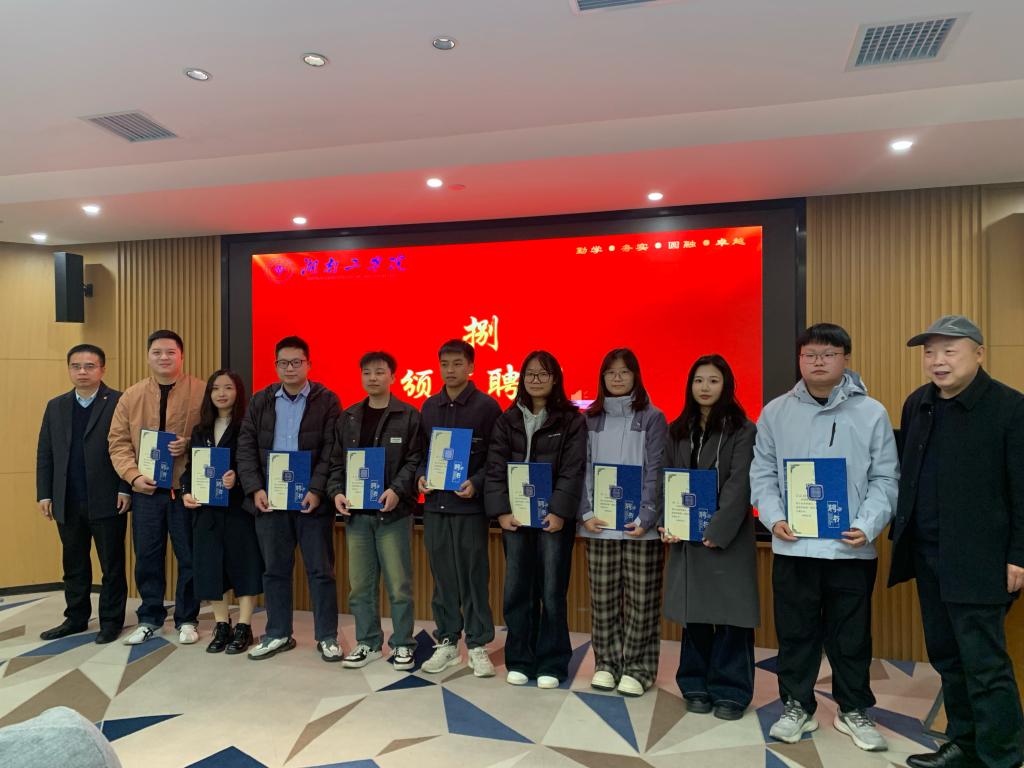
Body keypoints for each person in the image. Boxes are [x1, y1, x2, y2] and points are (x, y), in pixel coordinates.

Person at [750, 323, 898, 751]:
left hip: (850, 547)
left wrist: (868, 524)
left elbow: (886, 478)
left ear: (845, 359)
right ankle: (797, 705)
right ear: (800, 360)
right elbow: (762, 473)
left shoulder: (871, 412)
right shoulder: (775, 412)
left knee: (851, 636)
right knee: (796, 633)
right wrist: (774, 518)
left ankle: (854, 710)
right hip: (793, 544)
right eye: (810, 354)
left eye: (828, 354)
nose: (818, 362)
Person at [889, 315, 1024, 768]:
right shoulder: (918, 403)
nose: (937, 361)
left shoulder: (1010, 407)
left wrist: (1019, 555)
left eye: (950, 350)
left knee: (985, 664)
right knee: (947, 657)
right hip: (928, 554)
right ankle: (964, 745)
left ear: (979, 354)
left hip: (981, 558)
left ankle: (1002, 757)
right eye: (930, 352)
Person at [658, 354, 758, 720]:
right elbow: (667, 478)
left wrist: (716, 529)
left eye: (713, 380)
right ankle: (694, 683)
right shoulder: (677, 429)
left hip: (727, 538)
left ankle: (732, 690)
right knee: (695, 614)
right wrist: (668, 522)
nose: (705, 387)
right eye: (698, 380)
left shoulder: (743, 430)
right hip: (687, 539)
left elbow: (739, 483)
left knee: (732, 615)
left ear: (726, 385)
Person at [484, 351, 587, 688]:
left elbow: (573, 470)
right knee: (518, 590)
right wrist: (501, 511)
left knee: (552, 591)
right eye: (530, 374)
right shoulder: (507, 419)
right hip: (515, 519)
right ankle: (520, 659)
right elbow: (495, 468)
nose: (536, 380)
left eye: (543, 374)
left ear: (555, 379)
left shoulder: (570, 420)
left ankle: (553, 664)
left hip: (552, 520)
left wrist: (559, 511)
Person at [236, 336, 342, 661]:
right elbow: (246, 448)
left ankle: (327, 636)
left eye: (297, 362)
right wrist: (255, 488)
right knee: (275, 571)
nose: (290, 368)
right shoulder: (261, 400)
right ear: (276, 366)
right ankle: (278, 633)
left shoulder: (327, 400)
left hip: (311, 501)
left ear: (309, 364)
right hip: (271, 500)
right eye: (283, 363)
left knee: (320, 571)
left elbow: (332, 450)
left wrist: (317, 490)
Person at [578, 348, 668, 697]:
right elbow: (582, 468)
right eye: (610, 372)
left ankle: (639, 668)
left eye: (624, 372)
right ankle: (606, 664)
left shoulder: (653, 417)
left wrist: (646, 516)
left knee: (641, 602)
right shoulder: (590, 419)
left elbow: (655, 470)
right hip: (599, 525)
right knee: (603, 600)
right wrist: (586, 512)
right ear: (602, 377)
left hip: (639, 527)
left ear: (636, 376)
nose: (617, 378)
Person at [326, 351, 422, 671]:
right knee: (360, 587)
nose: (373, 378)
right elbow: (336, 463)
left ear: (393, 376)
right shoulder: (349, 417)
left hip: (393, 514)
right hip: (357, 517)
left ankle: (403, 644)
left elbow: (414, 461)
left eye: (380, 372)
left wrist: (397, 490)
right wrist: (337, 492)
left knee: (399, 586)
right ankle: (368, 643)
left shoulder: (408, 415)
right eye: (367, 372)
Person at [108, 330, 204, 645]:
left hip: (185, 491)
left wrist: (189, 444)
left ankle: (187, 618)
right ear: (148, 356)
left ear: (182, 356)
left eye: (170, 352)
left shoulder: (201, 391)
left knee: (189, 556)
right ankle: (149, 617)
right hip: (146, 492)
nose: (164, 357)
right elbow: (118, 442)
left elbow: (215, 435)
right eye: (157, 352)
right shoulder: (131, 395)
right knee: (147, 556)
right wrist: (133, 476)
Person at [416, 339, 502, 677]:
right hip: (436, 506)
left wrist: (476, 482)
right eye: (444, 364)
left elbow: (496, 456)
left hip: (469, 508)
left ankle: (478, 644)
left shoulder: (487, 407)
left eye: (457, 364)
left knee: (473, 577)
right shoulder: (429, 406)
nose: (450, 370)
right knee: (443, 578)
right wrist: (421, 477)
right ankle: (448, 641)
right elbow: (420, 453)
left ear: (471, 367)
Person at [35, 344, 131, 645]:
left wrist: (125, 487)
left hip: (108, 498)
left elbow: (130, 448)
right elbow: (45, 452)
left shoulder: (119, 401)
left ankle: (111, 621)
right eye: (76, 366)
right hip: (67, 499)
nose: (82, 372)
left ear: (102, 369)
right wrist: (45, 494)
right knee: (73, 564)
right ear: (69, 369)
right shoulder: (56, 406)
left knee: (111, 566)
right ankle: (75, 618)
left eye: (90, 366)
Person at [181, 370, 263, 655]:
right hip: (206, 510)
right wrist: (187, 491)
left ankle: (244, 626)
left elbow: (256, 464)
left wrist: (237, 478)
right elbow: (191, 469)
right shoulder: (200, 429)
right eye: (215, 388)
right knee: (210, 567)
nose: (221, 394)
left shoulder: (247, 426)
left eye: (228, 388)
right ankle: (221, 624)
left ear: (238, 392)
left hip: (239, 509)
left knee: (244, 566)